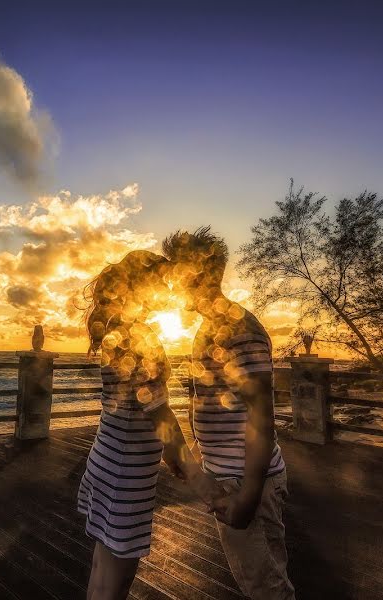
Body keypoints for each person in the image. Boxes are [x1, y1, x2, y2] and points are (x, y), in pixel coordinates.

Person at [162, 228, 295, 600]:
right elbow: (206, 398)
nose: (172, 285)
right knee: (260, 578)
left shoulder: (239, 329)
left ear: (199, 273)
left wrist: (248, 495)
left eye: (177, 274)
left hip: (246, 482)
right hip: (229, 476)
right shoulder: (209, 328)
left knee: (265, 586)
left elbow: (261, 416)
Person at [78, 250, 219, 600]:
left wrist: (171, 456)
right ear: (140, 287)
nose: (168, 291)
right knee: (117, 580)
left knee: (103, 565)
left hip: (106, 458)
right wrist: (198, 479)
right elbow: (159, 413)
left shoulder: (115, 330)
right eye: (161, 283)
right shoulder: (139, 337)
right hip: (125, 472)